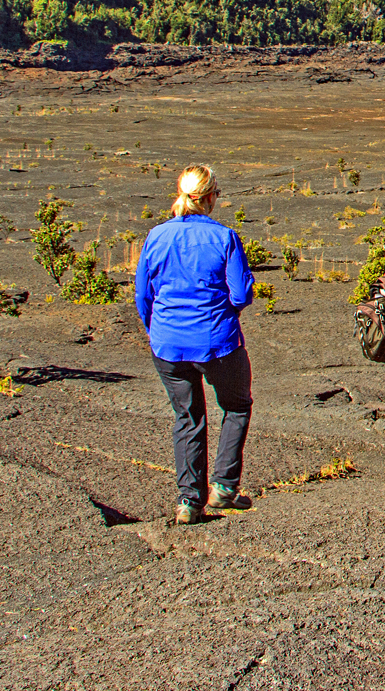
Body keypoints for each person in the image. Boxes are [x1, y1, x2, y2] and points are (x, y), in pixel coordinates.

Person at [134, 165, 255, 524]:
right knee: (236, 406)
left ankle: (189, 501)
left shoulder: (157, 236)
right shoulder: (224, 238)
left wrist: (157, 329)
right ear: (210, 196)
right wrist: (224, 312)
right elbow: (242, 293)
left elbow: (144, 295)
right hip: (217, 340)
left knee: (188, 418)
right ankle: (224, 486)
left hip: (168, 342)